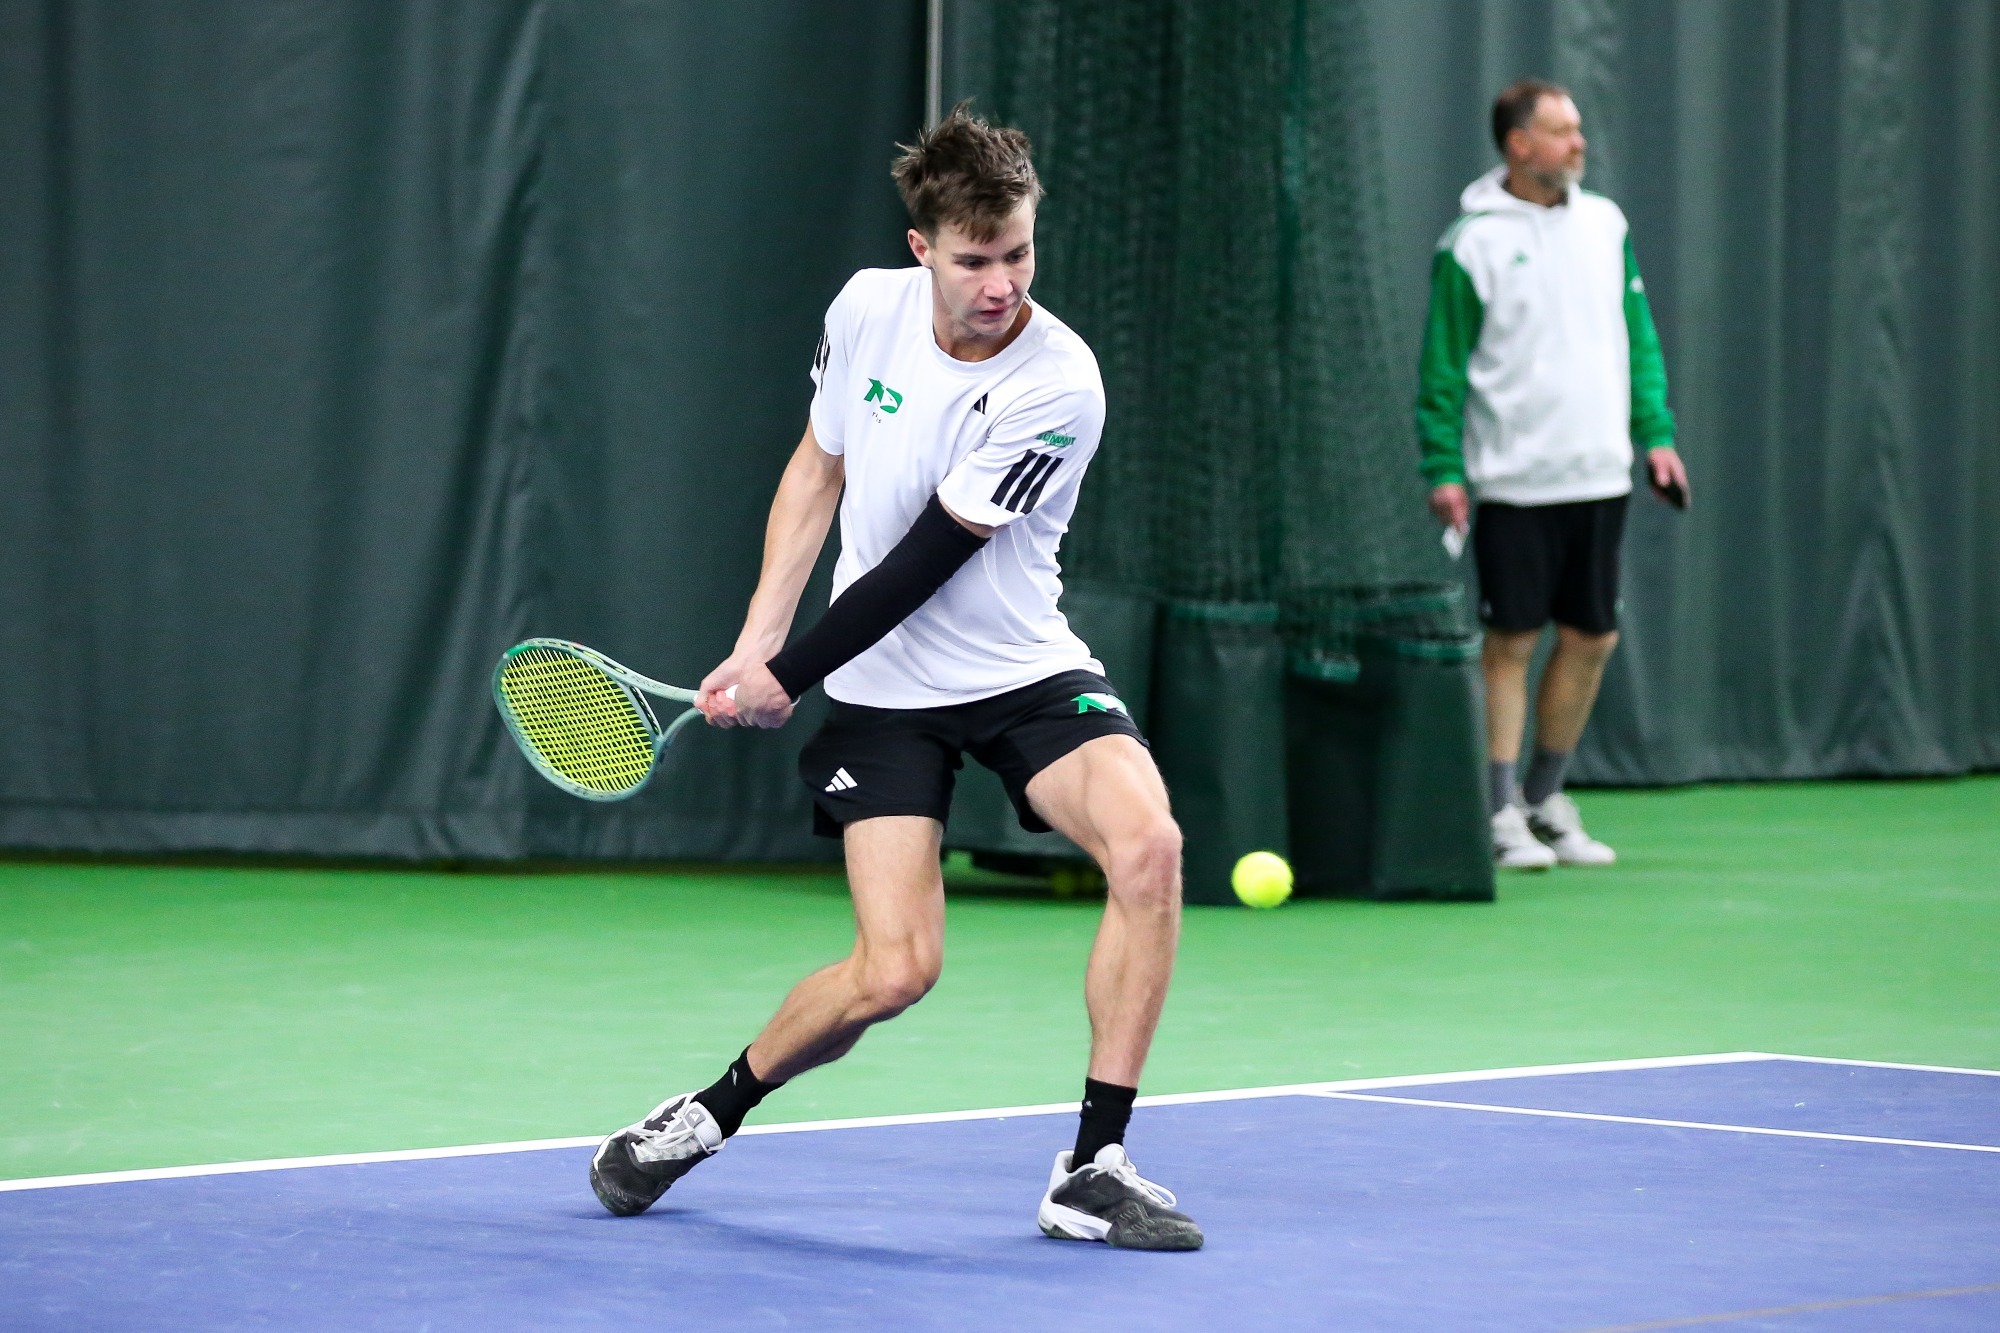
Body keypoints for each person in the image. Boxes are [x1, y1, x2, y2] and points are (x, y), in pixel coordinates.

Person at [586, 107, 1202, 1251]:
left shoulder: (1059, 380)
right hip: (880, 692)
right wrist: (755, 636)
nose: (1000, 282)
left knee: (1149, 845)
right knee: (895, 969)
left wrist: (786, 672)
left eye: (1016, 252)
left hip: (1021, 671)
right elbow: (816, 471)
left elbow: (926, 556)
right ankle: (706, 1113)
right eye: (974, 260)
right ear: (922, 248)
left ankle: (1093, 1164)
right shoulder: (864, 310)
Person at [1416, 79, 1690, 871]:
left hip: (1599, 475)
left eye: (1578, 131)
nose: (1579, 144)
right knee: (1511, 640)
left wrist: (1656, 435)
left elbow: (1636, 335)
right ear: (1518, 144)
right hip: (1512, 481)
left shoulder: (1607, 226)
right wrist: (1444, 466)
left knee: (1593, 635)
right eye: (1562, 132)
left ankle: (1545, 795)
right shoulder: (1471, 242)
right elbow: (1442, 368)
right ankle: (1498, 808)